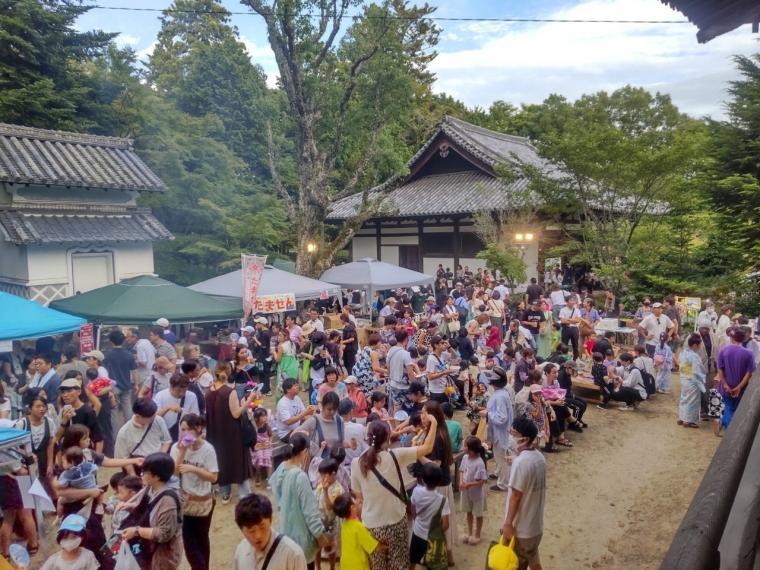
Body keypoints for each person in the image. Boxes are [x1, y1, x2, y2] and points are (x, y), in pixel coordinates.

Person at [350, 418, 437, 570]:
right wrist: (434, 423)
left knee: (377, 566)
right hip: (395, 521)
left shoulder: (357, 463)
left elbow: (359, 498)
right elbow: (427, 447)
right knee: (399, 565)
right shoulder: (396, 455)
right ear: (387, 438)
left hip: (372, 525)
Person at [269, 433, 330, 569]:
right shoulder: (300, 476)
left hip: (285, 535)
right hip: (302, 540)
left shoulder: (280, 470)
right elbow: (310, 512)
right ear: (305, 451)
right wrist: (321, 536)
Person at [170, 413, 218, 570]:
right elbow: (174, 474)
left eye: (186, 430)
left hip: (203, 501)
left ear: (198, 429)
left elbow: (213, 477)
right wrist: (183, 451)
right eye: (181, 429)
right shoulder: (176, 448)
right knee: (189, 543)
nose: (183, 433)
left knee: (202, 539)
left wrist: (193, 469)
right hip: (184, 501)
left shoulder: (208, 449)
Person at [120, 453, 183, 570]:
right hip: (148, 549)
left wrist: (136, 531)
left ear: (157, 477)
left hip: (162, 555)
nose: (141, 474)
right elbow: (148, 509)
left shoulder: (168, 501)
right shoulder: (150, 488)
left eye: (145, 472)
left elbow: (164, 534)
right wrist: (131, 506)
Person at [205, 361, 257, 504]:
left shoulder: (209, 392)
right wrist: (248, 401)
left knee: (221, 461)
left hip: (215, 434)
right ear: (229, 373)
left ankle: (225, 494)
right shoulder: (230, 392)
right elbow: (236, 414)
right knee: (238, 462)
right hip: (232, 434)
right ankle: (245, 495)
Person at [502, 416, 547, 570]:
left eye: (514, 433)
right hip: (535, 527)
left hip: (521, 530)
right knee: (534, 561)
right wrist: (516, 459)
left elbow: (516, 496)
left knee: (514, 565)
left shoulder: (521, 463)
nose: (510, 436)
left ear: (525, 439)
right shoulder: (539, 457)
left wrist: (508, 523)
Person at [232, 493, 307, 570]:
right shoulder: (241, 551)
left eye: (262, 527)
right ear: (241, 530)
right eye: (251, 531)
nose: (258, 535)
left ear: (270, 520)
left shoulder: (293, 555)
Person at [114, 398, 172, 476]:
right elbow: (123, 458)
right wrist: (133, 476)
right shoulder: (124, 432)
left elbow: (166, 441)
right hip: (138, 465)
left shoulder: (158, 420)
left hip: (158, 462)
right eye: (151, 417)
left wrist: (159, 459)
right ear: (138, 416)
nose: (154, 417)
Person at [410, 463, 450, 570]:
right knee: (432, 564)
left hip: (417, 534)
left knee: (413, 560)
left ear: (422, 479)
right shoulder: (442, 500)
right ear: (439, 482)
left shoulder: (416, 491)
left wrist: (417, 521)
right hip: (433, 539)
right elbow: (446, 525)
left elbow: (413, 509)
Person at [716, 328, 755, 434]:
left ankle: (725, 425)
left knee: (728, 407)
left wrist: (725, 384)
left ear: (732, 337)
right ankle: (730, 430)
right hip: (741, 388)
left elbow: (720, 369)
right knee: (734, 408)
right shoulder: (749, 353)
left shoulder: (723, 350)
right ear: (744, 338)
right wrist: (739, 387)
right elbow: (749, 373)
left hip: (726, 386)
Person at [14, 390, 56, 481]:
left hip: (43, 460)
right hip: (26, 463)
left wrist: (50, 464)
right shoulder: (22, 424)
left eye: (43, 406)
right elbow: (15, 446)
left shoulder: (49, 422)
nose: (41, 409)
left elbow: (50, 444)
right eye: (38, 406)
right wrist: (28, 453)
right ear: (30, 409)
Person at [332, 493, 379, 570]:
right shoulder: (358, 526)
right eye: (355, 500)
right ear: (352, 507)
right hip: (358, 565)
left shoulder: (344, 524)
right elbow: (372, 545)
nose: (357, 501)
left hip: (345, 564)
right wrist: (385, 546)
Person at [58, 376, 104, 453]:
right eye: (63, 392)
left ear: (79, 392)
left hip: (85, 454)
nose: (65, 395)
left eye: (69, 391)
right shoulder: (65, 411)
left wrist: (97, 460)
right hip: (68, 455)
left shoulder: (87, 412)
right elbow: (58, 438)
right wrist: (64, 420)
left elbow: (98, 439)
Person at [104, 329, 137, 433]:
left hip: (113, 388)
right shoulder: (129, 354)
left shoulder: (108, 355)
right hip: (127, 386)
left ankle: (117, 435)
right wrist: (136, 384)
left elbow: (104, 372)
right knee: (128, 409)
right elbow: (134, 371)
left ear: (111, 341)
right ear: (123, 340)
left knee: (114, 411)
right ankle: (132, 431)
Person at [486, 367, 513, 492]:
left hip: (501, 432)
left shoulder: (500, 396)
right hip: (499, 431)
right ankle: (498, 473)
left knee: (502, 457)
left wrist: (488, 414)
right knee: (498, 454)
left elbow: (502, 418)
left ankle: (503, 483)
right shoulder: (501, 393)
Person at [153, 373, 200, 443]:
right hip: (165, 435)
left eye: (184, 391)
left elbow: (196, 417)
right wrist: (167, 408)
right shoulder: (160, 396)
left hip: (184, 435)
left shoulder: (192, 396)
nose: (182, 394)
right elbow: (154, 417)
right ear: (171, 387)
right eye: (178, 391)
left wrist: (182, 411)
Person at [315, 458, 343, 570]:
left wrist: (326, 491)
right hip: (319, 521)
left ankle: (332, 567)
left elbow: (330, 506)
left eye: (324, 475)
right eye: (321, 475)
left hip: (331, 524)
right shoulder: (320, 485)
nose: (322, 478)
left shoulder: (338, 488)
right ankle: (318, 567)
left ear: (333, 474)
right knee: (317, 547)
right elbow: (316, 499)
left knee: (331, 549)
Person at [459, 436, 487, 546]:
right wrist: (461, 482)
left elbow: (482, 480)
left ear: (471, 450)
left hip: (477, 494)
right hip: (466, 491)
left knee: (478, 514)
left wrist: (469, 484)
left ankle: (477, 535)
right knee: (468, 512)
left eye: (465, 445)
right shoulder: (465, 458)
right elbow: (461, 470)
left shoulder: (479, 462)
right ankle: (470, 533)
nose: (463, 447)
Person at [678, 334, 707, 428]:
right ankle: (688, 420)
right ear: (695, 345)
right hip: (692, 380)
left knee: (684, 398)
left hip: (685, 378)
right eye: (699, 345)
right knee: (692, 401)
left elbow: (682, 367)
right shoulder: (694, 356)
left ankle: (682, 417)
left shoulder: (683, 353)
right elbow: (697, 370)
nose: (700, 347)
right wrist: (702, 378)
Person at [276, 377, 316, 443]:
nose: (298, 387)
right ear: (288, 390)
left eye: (297, 385)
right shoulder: (282, 403)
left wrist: (312, 414)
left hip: (298, 427)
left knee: (315, 427)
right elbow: (288, 422)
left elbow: (303, 415)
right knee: (306, 436)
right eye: (295, 386)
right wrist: (305, 413)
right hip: (286, 433)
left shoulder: (297, 398)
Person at [387, 330, 416, 413]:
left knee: (396, 407)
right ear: (406, 339)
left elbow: (388, 368)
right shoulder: (405, 354)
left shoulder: (390, 351)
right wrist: (414, 386)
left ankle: (397, 425)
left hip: (393, 383)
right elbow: (410, 373)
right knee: (408, 408)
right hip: (404, 386)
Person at [426, 335, 453, 404]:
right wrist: (444, 373)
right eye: (442, 343)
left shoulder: (443, 354)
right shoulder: (431, 359)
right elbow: (430, 377)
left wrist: (449, 346)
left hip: (444, 389)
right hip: (436, 391)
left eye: (444, 343)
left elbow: (455, 356)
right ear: (436, 345)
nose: (444, 345)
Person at [251, 408, 274, 488]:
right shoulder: (254, 428)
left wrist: (270, 442)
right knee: (258, 457)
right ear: (256, 418)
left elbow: (270, 435)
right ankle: (258, 475)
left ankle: (270, 478)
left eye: (266, 416)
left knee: (268, 457)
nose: (265, 418)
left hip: (267, 446)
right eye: (263, 416)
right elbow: (253, 442)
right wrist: (259, 445)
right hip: (258, 446)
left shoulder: (267, 426)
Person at [275, 329, 299, 399]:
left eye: (280, 335)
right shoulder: (292, 344)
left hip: (284, 368)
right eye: (278, 335)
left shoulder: (281, 346)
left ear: (285, 337)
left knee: (282, 387)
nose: (278, 337)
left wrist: (274, 353)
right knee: (292, 386)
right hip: (293, 368)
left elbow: (278, 360)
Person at [559, 295, 581, 360]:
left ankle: (575, 359)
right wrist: (573, 320)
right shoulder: (563, 310)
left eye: (573, 300)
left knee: (575, 345)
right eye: (571, 300)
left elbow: (578, 320)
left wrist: (568, 319)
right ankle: (563, 359)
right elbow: (562, 321)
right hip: (565, 328)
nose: (573, 302)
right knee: (564, 345)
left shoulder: (577, 310)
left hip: (574, 329)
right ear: (567, 302)